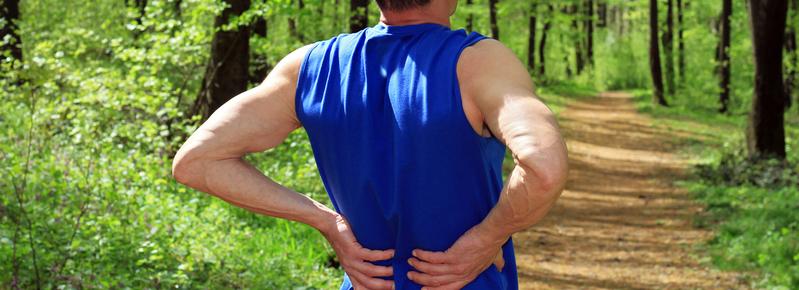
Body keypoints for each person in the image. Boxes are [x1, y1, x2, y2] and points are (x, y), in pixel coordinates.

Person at [171, 0, 568, 289]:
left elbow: (197, 161)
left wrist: (326, 221)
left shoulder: (310, 67)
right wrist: (486, 238)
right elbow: (543, 167)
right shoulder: (478, 62)